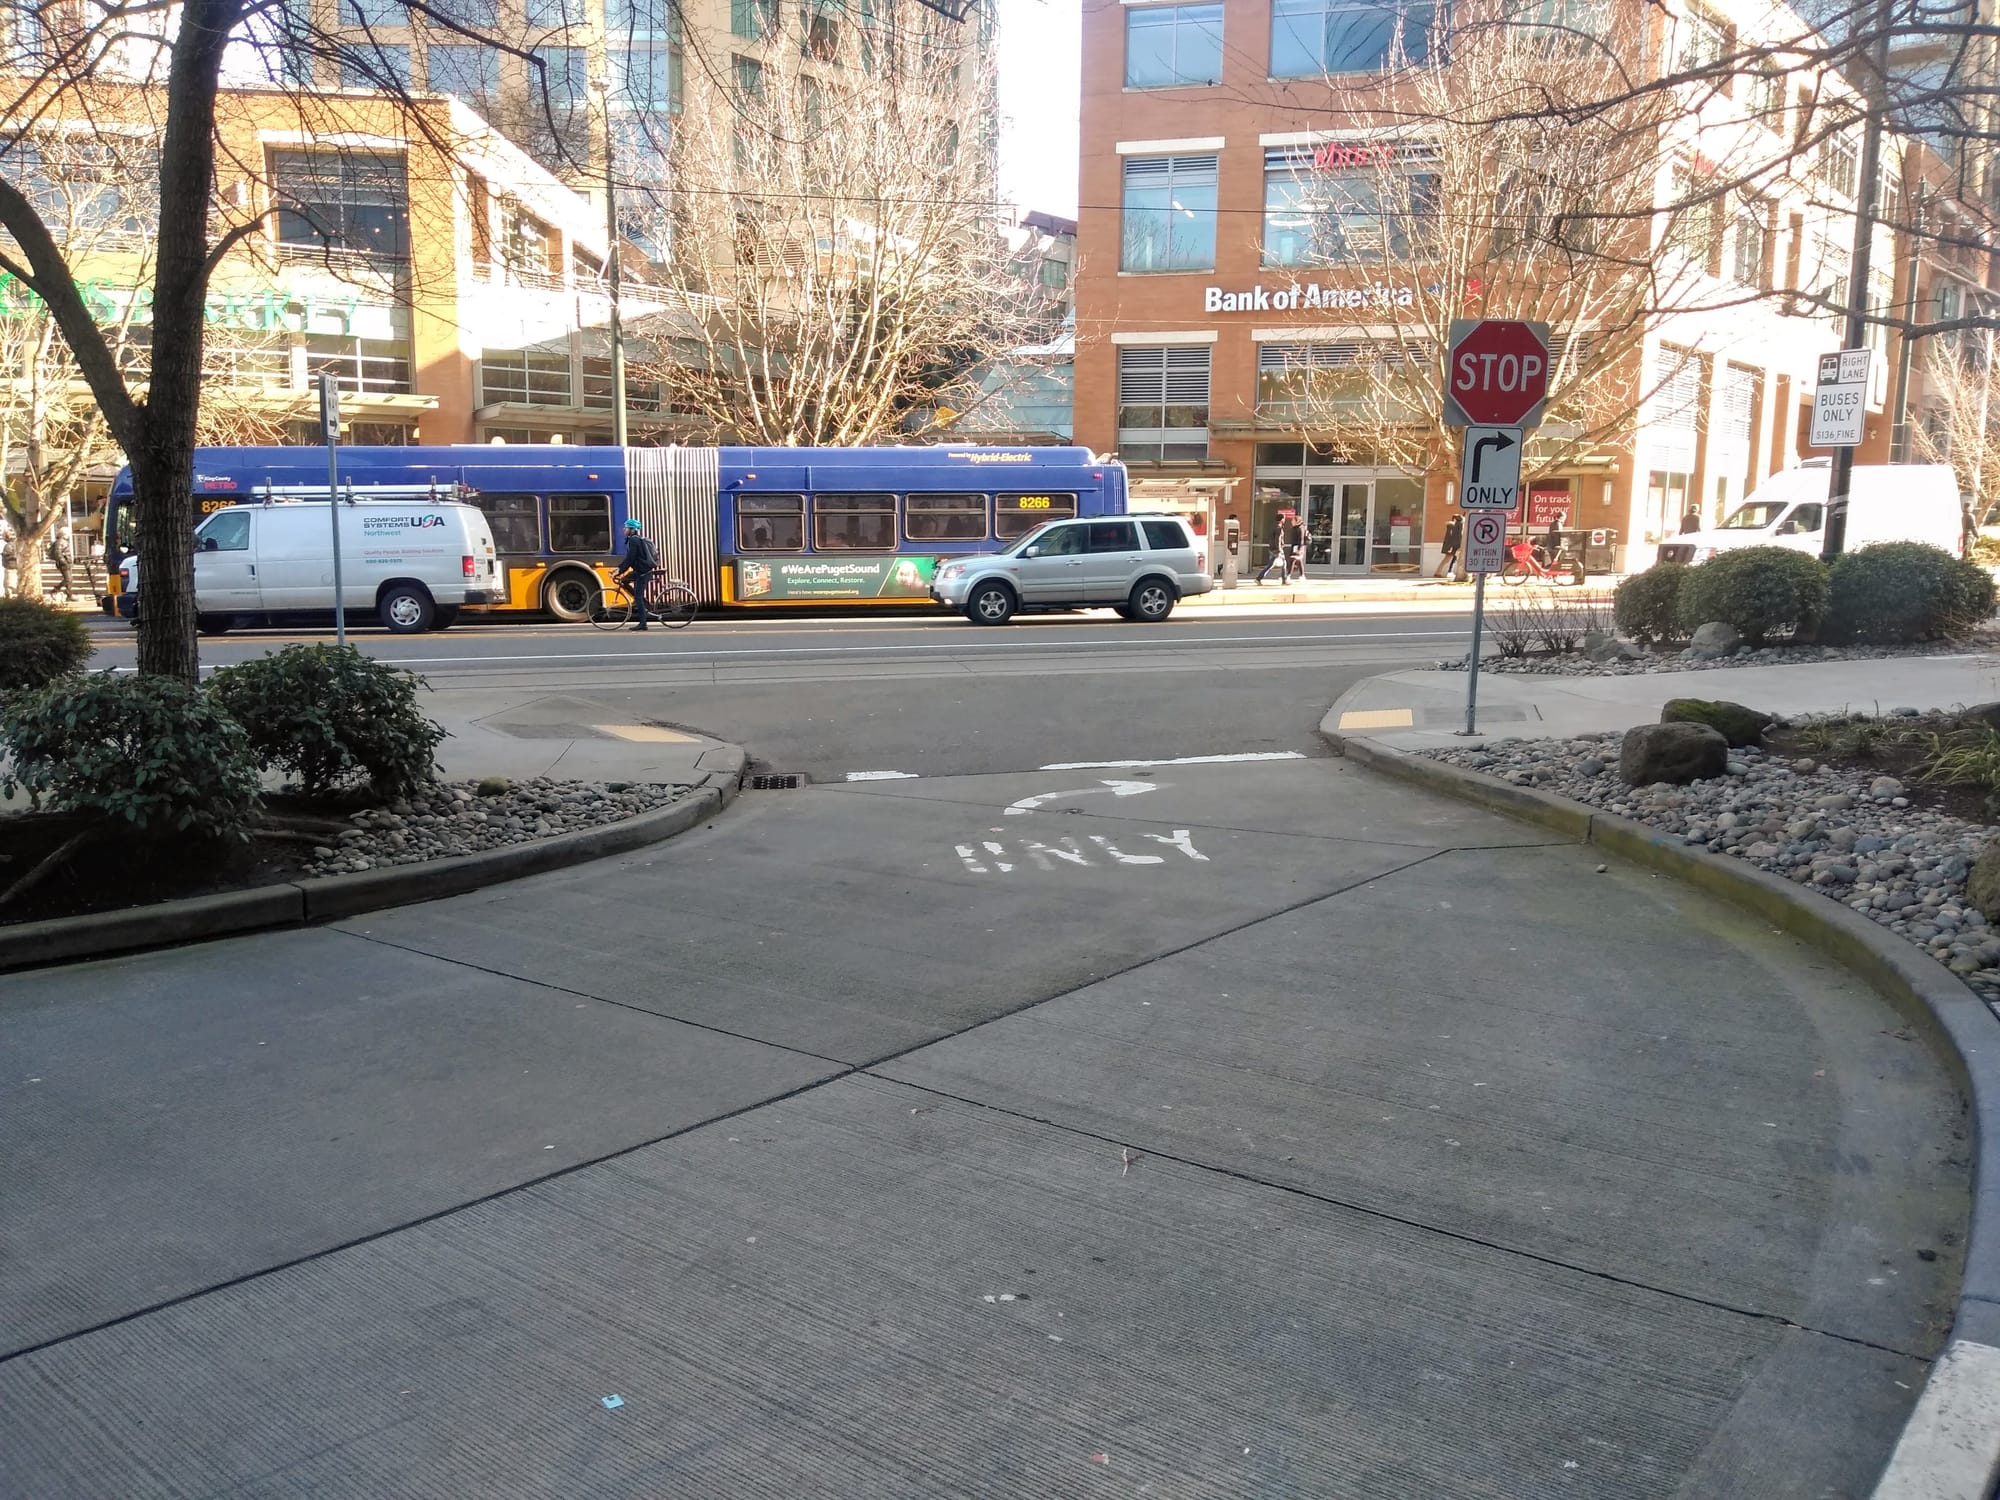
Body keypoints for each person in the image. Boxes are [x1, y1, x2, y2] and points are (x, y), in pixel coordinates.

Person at [614, 517, 659, 630]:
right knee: (624, 580)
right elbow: (629, 559)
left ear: (632, 530)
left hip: (643, 572)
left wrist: (619, 570)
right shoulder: (634, 540)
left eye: (626, 527)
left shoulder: (634, 541)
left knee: (638, 597)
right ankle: (642, 602)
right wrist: (619, 569)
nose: (624, 529)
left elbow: (630, 559)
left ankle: (643, 624)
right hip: (639, 570)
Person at [51, 535, 73, 601]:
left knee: (69, 580)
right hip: (63, 563)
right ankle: (56, 589)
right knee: (68, 579)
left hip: (66, 562)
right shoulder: (60, 542)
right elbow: (57, 553)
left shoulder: (62, 541)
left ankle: (69, 595)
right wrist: (64, 562)